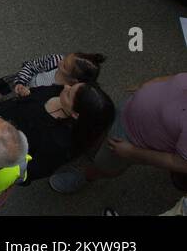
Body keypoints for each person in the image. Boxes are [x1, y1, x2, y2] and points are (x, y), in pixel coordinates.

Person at [50, 73, 187, 194]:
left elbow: (181, 163)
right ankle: (93, 147)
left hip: (132, 141)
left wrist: (132, 152)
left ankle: (85, 175)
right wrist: (148, 85)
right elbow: (174, 78)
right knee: (102, 131)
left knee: (105, 164)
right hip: (127, 111)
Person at [0, 82, 116, 183]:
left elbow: (31, 170)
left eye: (69, 94)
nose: (66, 86)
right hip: (1, 118)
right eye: (72, 85)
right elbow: (33, 96)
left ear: (75, 114)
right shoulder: (59, 91)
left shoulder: (58, 142)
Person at [0, 51, 106, 106]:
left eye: (64, 65)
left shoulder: (64, 92)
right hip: (24, 80)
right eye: (65, 58)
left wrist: (29, 94)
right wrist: (20, 82)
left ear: (74, 81)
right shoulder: (55, 59)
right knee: (8, 89)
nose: (60, 62)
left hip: (29, 98)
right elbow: (31, 66)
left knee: (9, 103)